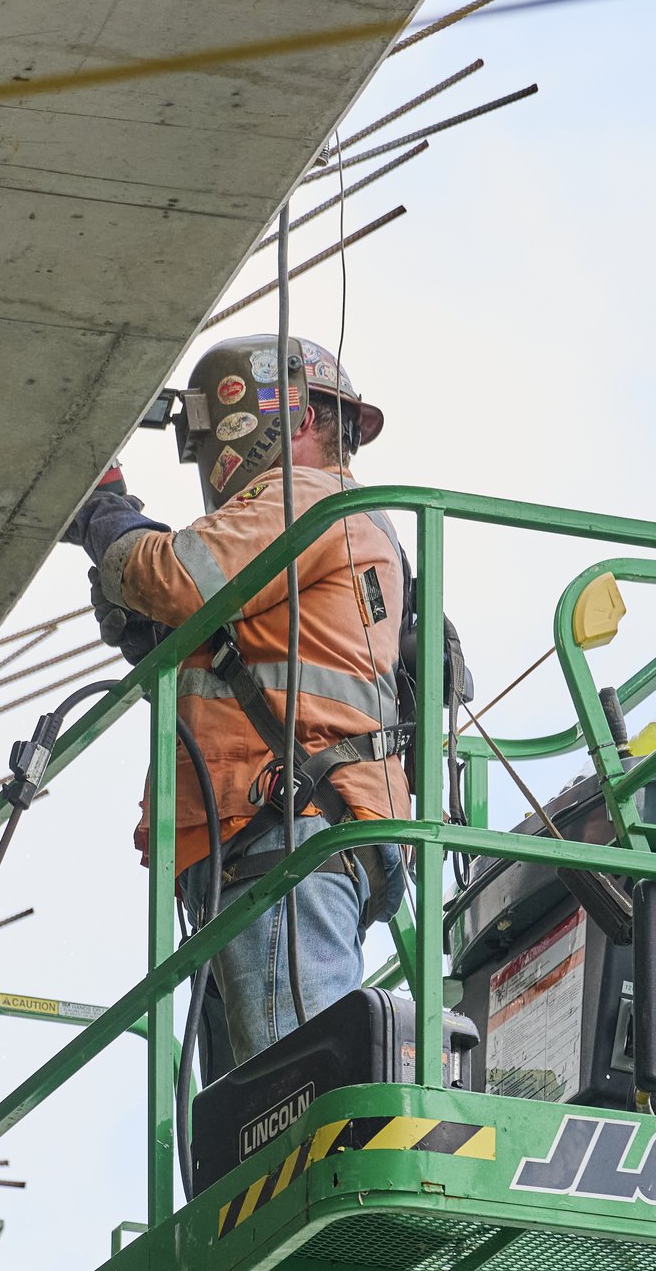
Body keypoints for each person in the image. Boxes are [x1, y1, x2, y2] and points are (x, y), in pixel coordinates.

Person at [65, 336, 409, 1073]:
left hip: (285, 828)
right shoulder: (326, 526)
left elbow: (178, 575)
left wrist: (102, 511)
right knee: (248, 1116)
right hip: (269, 832)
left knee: (292, 1092)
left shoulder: (307, 501)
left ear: (290, 417)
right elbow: (223, 634)